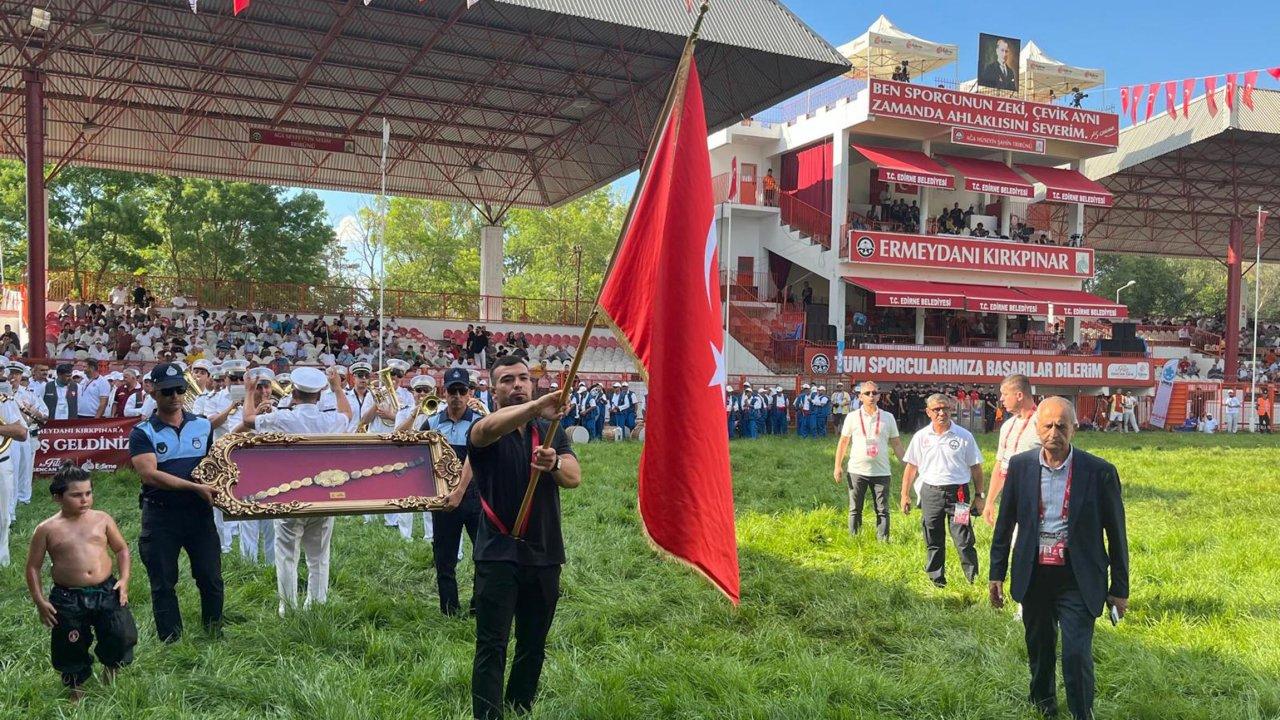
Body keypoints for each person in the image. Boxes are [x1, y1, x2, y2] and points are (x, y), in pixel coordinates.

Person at [989, 397, 1130, 720]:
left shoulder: (1099, 472)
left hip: (1078, 576)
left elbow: (1117, 535)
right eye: (1048, 426)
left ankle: (1083, 712)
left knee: (1077, 653)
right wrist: (996, 573)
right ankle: (1044, 707)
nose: (1054, 432)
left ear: (1074, 430)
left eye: (1061, 426)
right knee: (1039, 647)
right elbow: (1005, 523)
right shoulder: (1022, 467)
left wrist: (1120, 588)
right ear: (1038, 429)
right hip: (1034, 574)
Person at [465, 356, 580, 720]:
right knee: (492, 645)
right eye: (508, 380)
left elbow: (574, 476)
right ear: (493, 390)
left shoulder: (549, 431)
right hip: (497, 555)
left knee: (533, 644)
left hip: (545, 553)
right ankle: (488, 715)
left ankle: (518, 708)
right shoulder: (487, 429)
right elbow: (485, 430)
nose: (518, 385)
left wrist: (555, 464)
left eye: (524, 379)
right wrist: (535, 407)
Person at [238, 367, 352, 616]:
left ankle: (287, 608)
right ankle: (316, 605)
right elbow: (347, 413)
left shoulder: (282, 418)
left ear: (294, 394)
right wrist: (337, 387)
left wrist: (249, 392)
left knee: (287, 555)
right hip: (323, 495)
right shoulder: (328, 419)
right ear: (319, 396)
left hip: (287, 495)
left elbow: (247, 420)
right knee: (319, 555)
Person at [128, 363, 223, 642]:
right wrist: (195, 487)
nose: (175, 396)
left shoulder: (203, 425)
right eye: (167, 391)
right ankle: (171, 641)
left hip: (199, 514)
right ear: (154, 393)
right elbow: (149, 474)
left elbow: (212, 465)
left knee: (211, 577)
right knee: (163, 582)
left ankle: (214, 632)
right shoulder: (142, 432)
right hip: (161, 517)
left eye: (180, 389)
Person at [24, 465, 138, 698]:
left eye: (88, 493)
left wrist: (124, 579)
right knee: (70, 643)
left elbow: (122, 549)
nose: (84, 500)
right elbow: (33, 567)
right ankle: (76, 690)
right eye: (76, 495)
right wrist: (39, 601)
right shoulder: (47, 529)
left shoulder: (102, 519)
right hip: (68, 597)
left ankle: (111, 671)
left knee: (120, 633)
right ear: (58, 497)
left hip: (107, 589)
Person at [900, 393, 985, 587]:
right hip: (930, 494)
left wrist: (980, 496)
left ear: (951, 409)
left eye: (945, 408)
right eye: (936, 409)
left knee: (963, 539)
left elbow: (976, 468)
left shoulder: (964, 436)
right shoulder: (921, 437)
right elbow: (911, 468)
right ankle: (936, 581)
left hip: (959, 495)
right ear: (928, 412)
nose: (941, 413)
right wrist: (905, 494)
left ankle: (973, 580)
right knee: (933, 537)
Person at [428, 368, 484, 616]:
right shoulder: (430, 423)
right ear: (444, 392)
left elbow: (479, 457)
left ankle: (478, 606)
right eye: (453, 391)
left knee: (483, 556)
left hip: (475, 499)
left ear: (469, 392)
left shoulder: (479, 423)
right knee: (444, 559)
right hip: (443, 501)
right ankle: (448, 609)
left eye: (462, 391)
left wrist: (460, 490)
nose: (457, 396)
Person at [834, 382, 905, 541]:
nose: (871, 396)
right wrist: (837, 466)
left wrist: (907, 466)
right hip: (857, 471)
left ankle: (883, 541)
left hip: (882, 471)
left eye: (874, 393)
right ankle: (854, 540)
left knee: (882, 510)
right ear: (860, 396)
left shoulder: (888, 417)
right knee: (855, 509)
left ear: (879, 396)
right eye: (867, 393)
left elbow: (897, 444)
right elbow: (843, 442)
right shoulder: (852, 417)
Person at [983, 375, 1042, 527]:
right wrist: (989, 501)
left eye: (1005, 394)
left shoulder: (1043, 423)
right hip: (1012, 498)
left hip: (1038, 500)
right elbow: (1001, 464)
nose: (1001, 399)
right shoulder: (1007, 426)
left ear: (1019, 395)